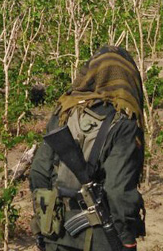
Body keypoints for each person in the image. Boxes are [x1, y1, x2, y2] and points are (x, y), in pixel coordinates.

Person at [30, 45, 145, 250]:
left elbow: (39, 172)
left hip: (56, 230)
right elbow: (118, 191)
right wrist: (127, 238)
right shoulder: (124, 123)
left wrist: (42, 224)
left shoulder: (64, 110)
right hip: (101, 238)